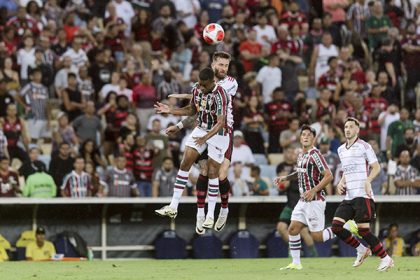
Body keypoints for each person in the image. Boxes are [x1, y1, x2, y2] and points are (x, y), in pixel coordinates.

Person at [164, 52, 238, 234]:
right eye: (220, 64)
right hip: (204, 128)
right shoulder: (201, 83)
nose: (223, 69)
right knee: (204, 170)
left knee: (220, 175)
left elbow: (210, 96)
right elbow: (198, 106)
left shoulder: (230, 83)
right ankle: (200, 214)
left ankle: (224, 209)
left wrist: (184, 95)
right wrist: (179, 121)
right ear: (213, 64)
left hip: (223, 131)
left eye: (226, 66)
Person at [333, 117, 394, 271]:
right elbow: (348, 169)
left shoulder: (364, 146)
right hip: (349, 196)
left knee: (363, 230)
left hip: (363, 194)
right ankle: (361, 249)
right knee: (336, 226)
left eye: (351, 126)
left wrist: (368, 180)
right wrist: (341, 182)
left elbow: (376, 167)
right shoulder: (341, 149)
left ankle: (386, 258)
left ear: (357, 129)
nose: (347, 129)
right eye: (346, 126)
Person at [274, 125, 335, 270]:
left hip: (315, 200)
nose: (306, 137)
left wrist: (314, 190)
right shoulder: (301, 155)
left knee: (317, 237)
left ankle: (344, 227)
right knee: (293, 229)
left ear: (313, 138)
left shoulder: (315, 155)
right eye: (303, 135)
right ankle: (296, 263)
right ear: (300, 138)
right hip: (303, 200)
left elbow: (329, 175)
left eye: (309, 135)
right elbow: (299, 173)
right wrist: (285, 178)